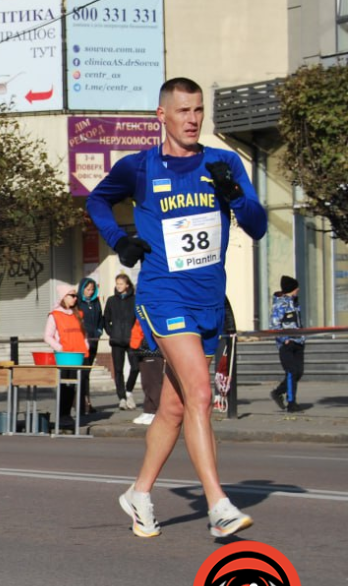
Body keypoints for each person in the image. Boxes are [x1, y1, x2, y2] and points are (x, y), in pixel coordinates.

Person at [87, 77, 267, 538]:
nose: (192, 119)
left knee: (173, 407)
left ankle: (139, 494)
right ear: (161, 115)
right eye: (183, 111)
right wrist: (120, 240)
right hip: (164, 295)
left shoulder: (223, 163)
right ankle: (218, 504)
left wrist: (236, 198)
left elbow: (257, 224)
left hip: (208, 299)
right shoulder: (140, 167)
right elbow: (98, 200)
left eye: (199, 110)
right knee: (201, 395)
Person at [43, 283, 89, 420]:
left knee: (78, 387)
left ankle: (71, 415)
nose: (75, 298)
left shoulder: (78, 314)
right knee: (66, 387)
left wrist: (86, 346)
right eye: (72, 296)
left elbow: (83, 334)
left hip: (79, 356)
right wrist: (61, 348)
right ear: (64, 297)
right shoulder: (55, 315)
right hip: (65, 357)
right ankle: (63, 415)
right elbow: (47, 336)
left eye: (76, 296)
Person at [103, 274, 140, 411]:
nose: (118, 286)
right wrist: (111, 333)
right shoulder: (111, 300)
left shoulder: (135, 300)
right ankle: (122, 398)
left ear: (127, 285)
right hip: (117, 341)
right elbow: (106, 319)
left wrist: (136, 335)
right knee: (118, 370)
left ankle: (129, 391)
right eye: (117, 283)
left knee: (136, 367)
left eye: (121, 284)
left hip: (132, 341)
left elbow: (139, 320)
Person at [270, 276, 304, 413]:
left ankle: (278, 392)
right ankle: (291, 403)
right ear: (292, 289)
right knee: (291, 372)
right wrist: (284, 339)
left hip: (299, 342)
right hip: (287, 344)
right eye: (296, 288)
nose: (298, 290)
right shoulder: (281, 304)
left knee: (299, 372)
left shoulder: (295, 303)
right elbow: (274, 324)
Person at [76, 277, 102, 414]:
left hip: (93, 342)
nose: (90, 292)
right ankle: (83, 403)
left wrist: (99, 331)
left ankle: (86, 402)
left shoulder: (96, 302)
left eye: (92, 289)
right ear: (82, 289)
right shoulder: (78, 303)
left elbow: (100, 319)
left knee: (87, 373)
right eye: (88, 289)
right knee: (83, 374)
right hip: (82, 343)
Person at [130, 321, 163, 425]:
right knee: (147, 383)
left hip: (151, 350)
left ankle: (157, 411)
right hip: (142, 349)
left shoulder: (152, 308)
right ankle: (148, 410)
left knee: (153, 383)